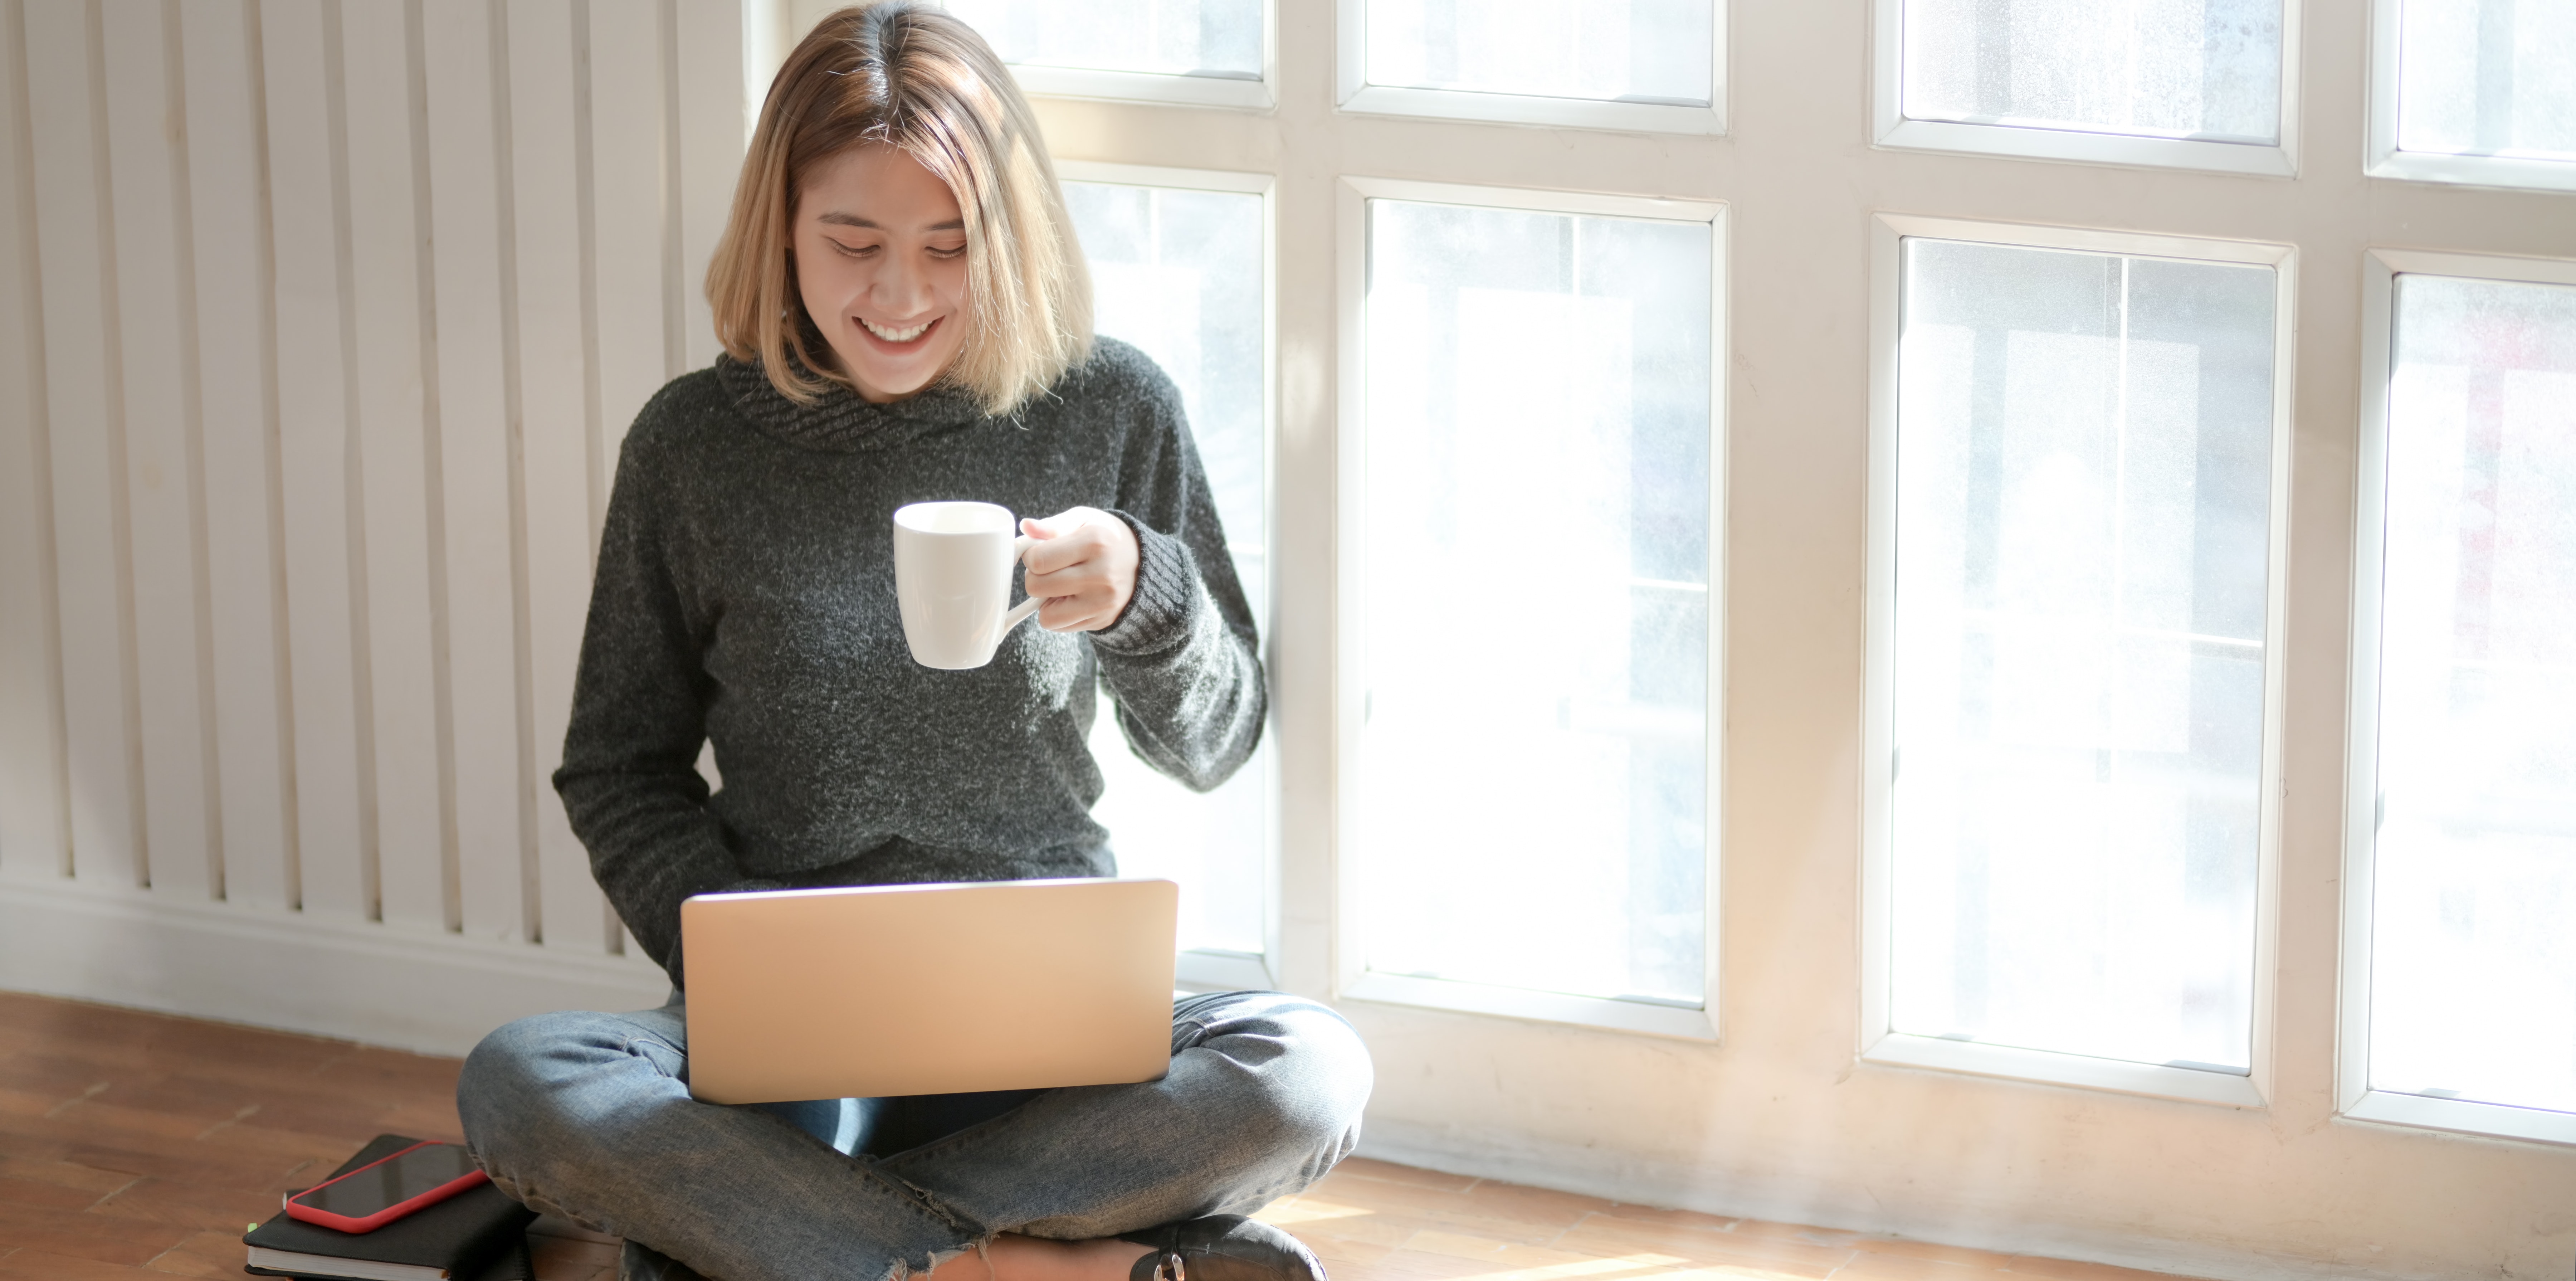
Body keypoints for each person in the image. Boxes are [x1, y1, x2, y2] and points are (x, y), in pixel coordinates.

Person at [452, 6, 1373, 1281]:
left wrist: (1147, 598)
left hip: (1055, 1024)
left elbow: (1219, 741)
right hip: (790, 1039)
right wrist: (743, 954)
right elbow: (617, 767)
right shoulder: (694, 446)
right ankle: (1053, 1264)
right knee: (523, 1080)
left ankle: (797, 1240)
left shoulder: (1111, 408)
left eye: (951, 246)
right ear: (783, 227)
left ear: (1011, 236)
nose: (902, 294)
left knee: (1308, 1068)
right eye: (855, 241)